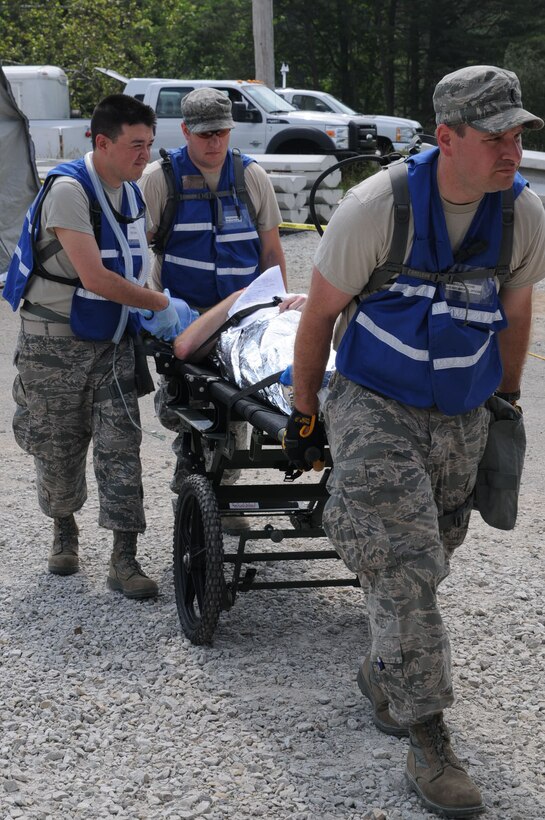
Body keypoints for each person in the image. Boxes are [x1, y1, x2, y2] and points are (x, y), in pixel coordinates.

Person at [282, 65, 545, 817]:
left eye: (517, 134)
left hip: (461, 411)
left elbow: (516, 314)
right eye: (493, 137)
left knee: (433, 557)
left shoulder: (520, 215)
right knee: (402, 565)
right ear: (445, 137)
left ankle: (384, 669)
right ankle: (428, 740)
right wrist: (307, 416)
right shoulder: (376, 208)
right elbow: (318, 316)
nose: (509, 150)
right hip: (375, 405)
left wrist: (506, 401)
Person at [3, 94, 183, 599]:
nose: (144, 156)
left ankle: (124, 558)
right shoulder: (68, 190)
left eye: (149, 144)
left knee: (121, 448)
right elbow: (96, 277)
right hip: (53, 347)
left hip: (112, 341)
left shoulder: (132, 190)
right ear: (101, 142)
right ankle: (64, 527)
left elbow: (135, 259)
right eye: (134, 145)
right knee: (57, 450)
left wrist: (154, 306)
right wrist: (159, 302)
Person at [139, 87, 287, 489]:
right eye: (205, 134)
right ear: (185, 131)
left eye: (221, 132)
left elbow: (271, 252)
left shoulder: (251, 176)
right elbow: (136, 252)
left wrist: (279, 312)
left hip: (242, 318)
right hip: (184, 320)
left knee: (238, 404)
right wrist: (150, 309)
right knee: (184, 406)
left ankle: (219, 491)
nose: (215, 142)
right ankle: (192, 471)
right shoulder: (159, 180)